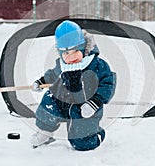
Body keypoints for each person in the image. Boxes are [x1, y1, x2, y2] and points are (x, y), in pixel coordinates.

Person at [31, 20, 116, 151]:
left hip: (85, 106)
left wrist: (95, 102)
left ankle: (97, 134)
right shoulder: (62, 65)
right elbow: (52, 75)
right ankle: (45, 132)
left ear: (84, 47)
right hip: (63, 102)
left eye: (75, 50)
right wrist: (41, 82)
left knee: (81, 143)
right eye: (65, 53)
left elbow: (108, 84)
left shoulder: (97, 65)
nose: (71, 57)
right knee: (49, 99)